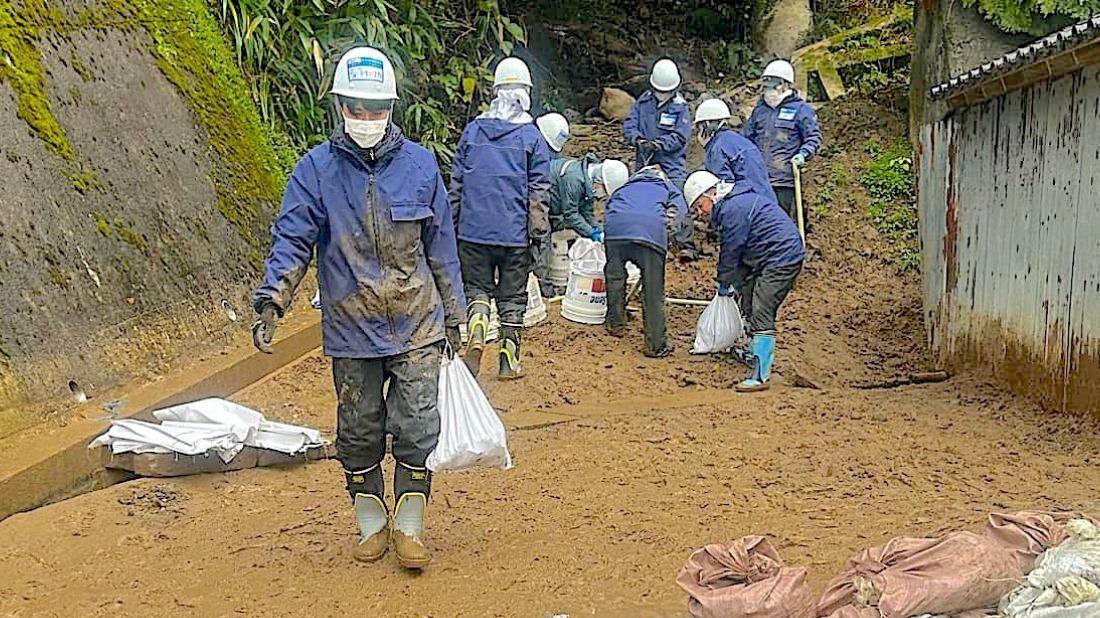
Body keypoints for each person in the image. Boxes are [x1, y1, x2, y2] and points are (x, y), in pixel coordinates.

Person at [251, 47, 465, 569]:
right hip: (351, 327)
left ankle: (410, 526)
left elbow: (441, 245)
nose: (366, 120)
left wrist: (456, 312)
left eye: (376, 109)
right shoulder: (315, 171)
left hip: (417, 321)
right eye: (356, 109)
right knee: (360, 427)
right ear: (339, 107)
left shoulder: (419, 166)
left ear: (392, 108)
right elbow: (292, 236)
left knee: (418, 423)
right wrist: (273, 298)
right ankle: (371, 519)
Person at [450, 57, 551, 379]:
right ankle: (509, 362)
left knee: (476, 287)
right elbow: (539, 190)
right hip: (514, 235)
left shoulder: (472, 131)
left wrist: (455, 225)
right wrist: (538, 234)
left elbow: (457, 183)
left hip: (473, 230)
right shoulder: (532, 137)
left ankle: (478, 326)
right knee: (512, 297)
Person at [684, 170, 805, 392]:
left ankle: (760, 375)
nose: (700, 213)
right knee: (747, 294)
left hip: (782, 256)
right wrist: (734, 281)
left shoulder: (732, 209)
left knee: (761, 306)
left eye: (700, 206)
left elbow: (733, 249)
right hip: (768, 254)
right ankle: (753, 350)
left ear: (710, 195)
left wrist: (724, 280)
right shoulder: (734, 203)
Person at [602, 160, 687, 358]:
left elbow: (610, 206)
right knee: (652, 291)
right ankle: (656, 345)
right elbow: (678, 212)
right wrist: (667, 234)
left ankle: (615, 323)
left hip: (616, 231)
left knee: (615, 278)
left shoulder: (626, 186)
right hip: (650, 234)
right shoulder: (667, 186)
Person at [623, 58, 698, 260]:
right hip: (645, 159)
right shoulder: (644, 102)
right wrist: (636, 138)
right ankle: (645, 240)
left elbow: (681, 137)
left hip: (670, 162)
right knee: (642, 197)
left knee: (678, 198)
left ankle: (686, 244)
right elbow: (630, 123)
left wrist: (661, 144)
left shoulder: (680, 108)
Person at [743, 60, 822, 226]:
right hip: (759, 179)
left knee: (779, 223)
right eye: (766, 87)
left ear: (785, 85)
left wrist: (803, 154)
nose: (768, 91)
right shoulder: (760, 110)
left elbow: (813, 137)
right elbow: (747, 139)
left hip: (784, 181)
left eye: (773, 87)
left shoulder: (801, 109)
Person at [532, 112, 600, 297]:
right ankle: (542, 286)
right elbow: (571, 214)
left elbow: (585, 210)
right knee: (541, 237)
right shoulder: (574, 178)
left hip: (545, 200)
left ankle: (543, 281)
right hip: (534, 200)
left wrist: (596, 229)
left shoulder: (584, 178)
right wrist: (591, 232)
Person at [693, 98, 775, 202]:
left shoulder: (717, 149)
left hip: (748, 206)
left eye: (699, 128)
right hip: (767, 202)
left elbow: (724, 188)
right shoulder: (741, 141)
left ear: (707, 126)